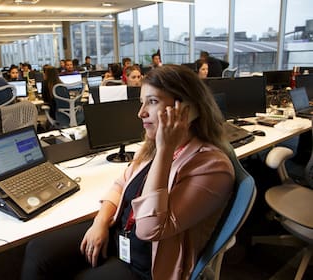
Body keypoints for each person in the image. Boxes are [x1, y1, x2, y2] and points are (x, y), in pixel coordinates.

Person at [21, 64, 235, 280]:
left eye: (152, 101)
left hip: (148, 265)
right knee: (38, 251)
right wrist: (100, 222)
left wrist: (165, 150)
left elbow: (150, 229)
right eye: (142, 102)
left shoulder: (212, 167)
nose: (140, 112)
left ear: (187, 110)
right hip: (120, 235)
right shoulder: (151, 146)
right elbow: (120, 184)